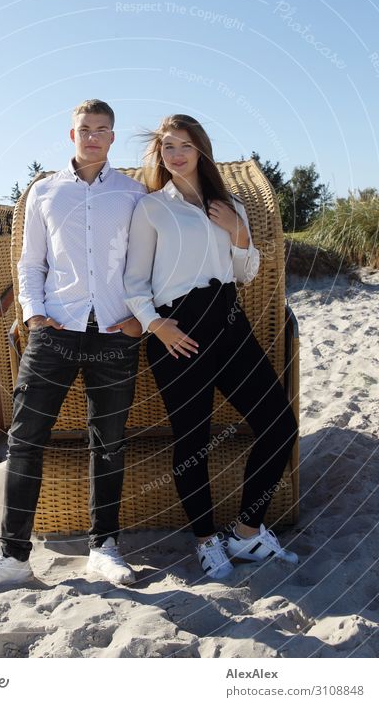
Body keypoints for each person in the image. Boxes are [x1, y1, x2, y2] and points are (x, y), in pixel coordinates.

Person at [0, 99, 146, 593]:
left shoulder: (134, 194)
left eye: (102, 130)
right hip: (54, 333)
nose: (93, 137)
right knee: (25, 442)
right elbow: (30, 263)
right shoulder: (43, 192)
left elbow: (147, 263)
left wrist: (138, 323)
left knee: (108, 444)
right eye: (85, 129)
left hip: (114, 335)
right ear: (72, 135)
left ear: (112, 137)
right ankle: (13, 557)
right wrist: (33, 314)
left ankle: (104, 549)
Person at [123, 114, 298, 581]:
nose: (176, 155)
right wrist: (156, 325)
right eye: (167, 148)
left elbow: (247, 271)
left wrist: (239, 235)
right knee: (192, 439)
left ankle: (246, 532)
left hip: (230, 322)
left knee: (279, 423)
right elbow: (134, 281)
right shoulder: (152, 208)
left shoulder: (230, 204)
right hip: (178, 331)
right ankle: (205, 542)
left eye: (184, 145)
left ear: (201, 149)